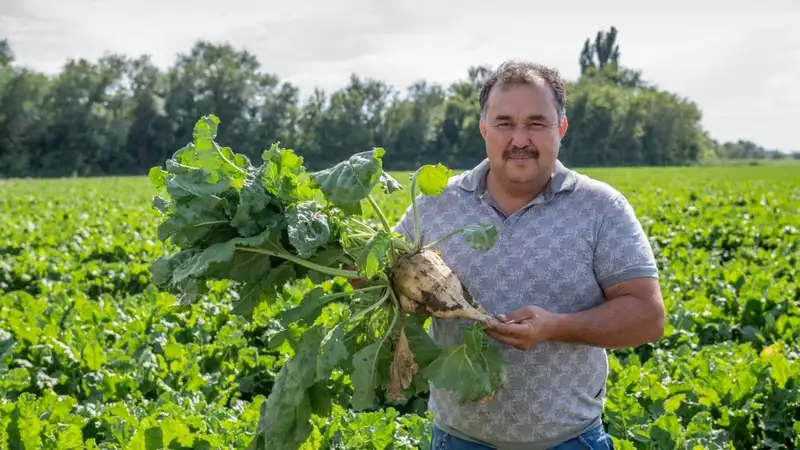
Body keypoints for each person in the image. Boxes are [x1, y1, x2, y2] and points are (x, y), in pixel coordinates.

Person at [388, 60, 665, 450]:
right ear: (484, 128)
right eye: (504, 123)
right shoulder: (435, 204)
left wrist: (556, 327)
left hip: (569, 441)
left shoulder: (601, 208)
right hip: (459, 441)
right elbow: (379, 276)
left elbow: (648, 318)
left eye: (536, 123)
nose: (520, 139)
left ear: (561, 128)